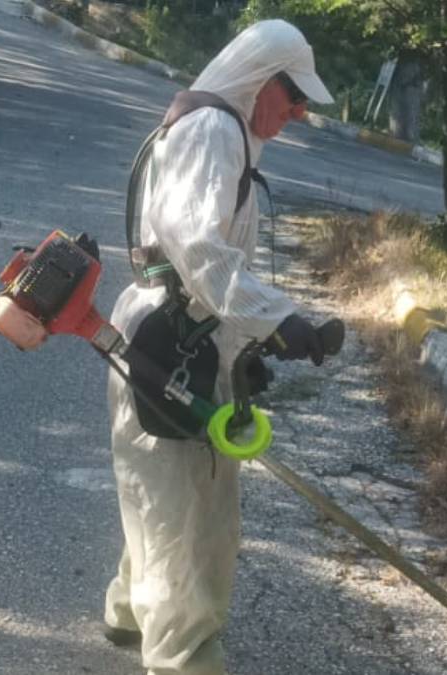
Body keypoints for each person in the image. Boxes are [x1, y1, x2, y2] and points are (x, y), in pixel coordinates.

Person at [102, 19, 335, 675]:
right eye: (293, 97)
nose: (297, 112)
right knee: (185, 509)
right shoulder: (214, 130)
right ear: (261, 81)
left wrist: (248, 349)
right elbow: (195, 245)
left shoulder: (219, 130)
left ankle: (128, 607)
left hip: (183, 336)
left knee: (171, 490)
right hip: (173, 339)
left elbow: (206, 264)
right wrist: (277, 317)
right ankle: (183, 655)